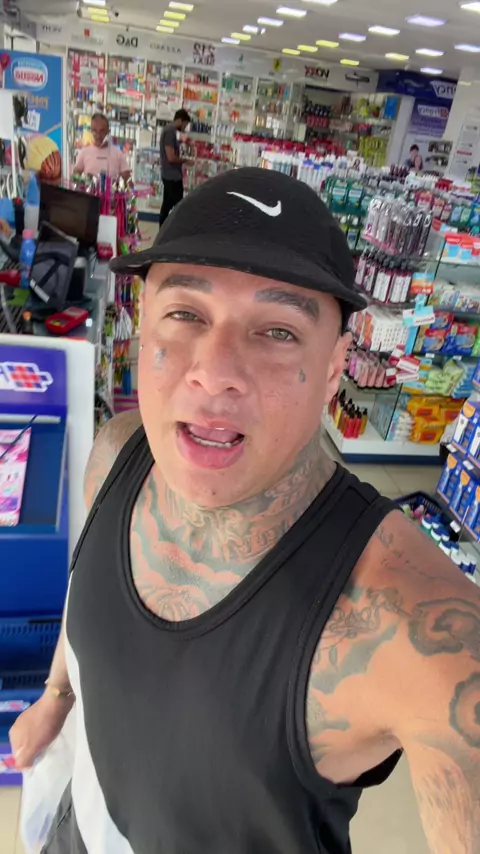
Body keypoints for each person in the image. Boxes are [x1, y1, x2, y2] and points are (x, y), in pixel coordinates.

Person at [10, 168, 480, 854]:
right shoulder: (116, 455)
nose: (215, 370)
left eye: (278, 331)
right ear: (144, 325)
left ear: (335, 367)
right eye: (186, 313)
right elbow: (87, 586)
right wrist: (57, 696)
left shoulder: (424, 634)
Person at [74, 113, 131, 181]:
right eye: (94, 131)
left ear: (108, 131)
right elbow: (75, 178)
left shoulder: (118, 154)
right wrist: (85, 180)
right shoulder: (84, 153)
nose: (98, 135)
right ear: (91, 130)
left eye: (102, 131)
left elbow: (128, 180)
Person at [159, 108, 191, 227]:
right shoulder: (170, 132)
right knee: (179, 208)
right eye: (185, 124)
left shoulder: (170, 131)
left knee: (166, 206)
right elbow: (171, 157)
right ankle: (175, 230)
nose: (185, 127)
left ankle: (163, 230)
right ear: (180, 120)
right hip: (172, 177)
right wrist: (186, 160)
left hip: (169, 175)